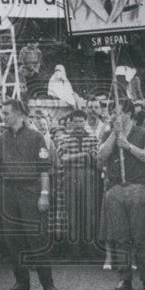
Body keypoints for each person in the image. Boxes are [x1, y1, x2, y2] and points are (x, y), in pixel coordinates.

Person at [0, 99, 58, 290]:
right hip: (8, 193)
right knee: (12, 238)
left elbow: (44, 169)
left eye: (6, 113)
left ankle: (48, 282)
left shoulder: (36, 137)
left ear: (19, 114)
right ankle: (22, 282)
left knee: (36, 237)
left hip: (30, 191)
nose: (3, 117)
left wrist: (44, 194)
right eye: (2, 113)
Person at [98, 101, 145, 290]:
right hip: (115, 188)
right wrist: (115, 136)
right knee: (120, 237)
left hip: (137, 187)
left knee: (140, 236)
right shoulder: (109, 134)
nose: (115, 116)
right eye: (112, 113)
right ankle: (125, 278)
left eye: (119, 112)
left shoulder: (144, 133)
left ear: (130, 113)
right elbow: (101, 156)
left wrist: (128, 146)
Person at [54, 109, 101, 260]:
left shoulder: (93, 138)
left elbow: (95, 158)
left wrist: (80, 157)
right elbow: (63, 158)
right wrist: (84, 155)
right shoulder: (64, 139)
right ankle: (74, 252)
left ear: (85, 122)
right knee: (72, 213)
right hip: (70, 176)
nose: (79, 124)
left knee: (89, 213)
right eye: (76, 121)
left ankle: (90, 251)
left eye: (81, 121)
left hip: (88, 176)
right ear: (71, 122)